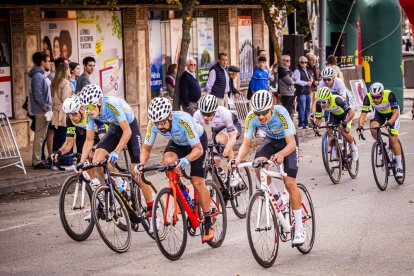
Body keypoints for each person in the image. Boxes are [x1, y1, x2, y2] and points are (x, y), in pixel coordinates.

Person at [229, 90, 306, 245]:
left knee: (289, 182)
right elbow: (246, 144)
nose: (261, 117)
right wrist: (237, 160)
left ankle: (299, 227)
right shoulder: (252, 117)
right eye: (258, 113)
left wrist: (282, 154)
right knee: (258, 165)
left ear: (271, 107)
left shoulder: (281, 113)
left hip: (288, 143)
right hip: (271, 141)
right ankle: (276, 198)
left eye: (264, 112)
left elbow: (291, 143)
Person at [138, 97, 215, 242]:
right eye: (157, 123)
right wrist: (141, 163)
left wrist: (186, 159)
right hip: (178, 142)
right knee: (167, 162)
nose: (160, 126)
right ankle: (182, 191)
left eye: (162, 122)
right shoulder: (153, 125)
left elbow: (197, 149)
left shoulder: (183, 121)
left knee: (197, 181)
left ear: (170, 116)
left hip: (197, 143)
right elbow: (146, 148)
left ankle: (208, 220)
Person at [78, 84, 154, 218]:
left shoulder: (112, 105)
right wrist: (81, 163)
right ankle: (120, 184)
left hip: (129, 126)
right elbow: (89, 140)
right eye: (85, 108)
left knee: (136, 171)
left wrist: (117, 151)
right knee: (96, 161)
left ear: (100, 102)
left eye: (90, 107)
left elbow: (127, 131)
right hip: (114, 127)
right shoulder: (90, 114)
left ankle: (152, 211)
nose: (88, 111)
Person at [357, 82, 403, 178]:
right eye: (373, 97)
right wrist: (360, 126)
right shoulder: (368, 97)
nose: (375, 99)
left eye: (377, 97)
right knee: (373, 128)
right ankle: (382, 146)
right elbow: (363, 114)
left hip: (393, 115)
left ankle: (399, 166)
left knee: (393, 138)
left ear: (382, 93)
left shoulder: (389, 95)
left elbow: (396, 113)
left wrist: (390, 122)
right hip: (380, 113)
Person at [50, 96, 106, 162]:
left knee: (98, 158)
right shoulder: (70, 119)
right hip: (95, 133)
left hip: (108, 132)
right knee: (87, 163)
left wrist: (94, 148)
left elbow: (104, 139)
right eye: (68, 114)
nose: (71, 117)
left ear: (81, 110)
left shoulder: (91, 113)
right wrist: (59, 153)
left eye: (73, 114)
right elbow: (69, 142)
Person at [194, 95, 241, 168]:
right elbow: (193, 135)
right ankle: (220, 175)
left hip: (233, 126)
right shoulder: (197, 115)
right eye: (203, 113)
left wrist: (227, 149)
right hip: (217, 129)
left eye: (208, 114)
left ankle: (233, 170)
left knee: (222, 139)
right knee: (215, 159)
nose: (205, 117)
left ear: (215, 111)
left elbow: (233, 136)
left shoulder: (224, 113)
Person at [314, 87, 359, 161]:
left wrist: (345, 122)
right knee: (329, 129)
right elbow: (318, 118)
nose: (322, 105)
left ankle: (353, 147)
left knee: (344, 133)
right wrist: (316, 126)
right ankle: (334, 148)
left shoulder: (337, 100)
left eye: (324, 102)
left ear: (329, 99)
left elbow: (352, 113)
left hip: (345, 115)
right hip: (334, 115)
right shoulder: (319, 104)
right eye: (320, 102)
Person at [28, 51, 52, 169]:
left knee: (41, 135)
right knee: (40, 136)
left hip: (42, 110)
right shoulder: (38, 76)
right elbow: (37, 94)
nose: (50, 63)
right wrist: (45, 107)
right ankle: (37, 161)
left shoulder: (39, 75)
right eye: (48, 61)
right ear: (42, 62)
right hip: (41, 111)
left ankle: (38, 159)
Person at [47, 62, 72, 164]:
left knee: (57, 138)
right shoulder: (65, 82)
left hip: (55, 113)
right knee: (66, 137)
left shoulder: (54, 82)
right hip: (63, 113)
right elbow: (66, 99)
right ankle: (66, 161)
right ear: (66, 70)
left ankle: (56, 160)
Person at [294, 56, 312, 129]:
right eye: (302, 62)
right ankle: (301, 124)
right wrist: (306, 83)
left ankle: (306, 123)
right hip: (301, 92)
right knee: (302, 108)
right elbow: (296, 81)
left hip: (307, 92)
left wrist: (311, 80)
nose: (304, 64)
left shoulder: (307, 70)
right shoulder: (297, 71)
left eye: (305, 62)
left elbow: (310, 80)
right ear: (299, 62)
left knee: (307, 108)